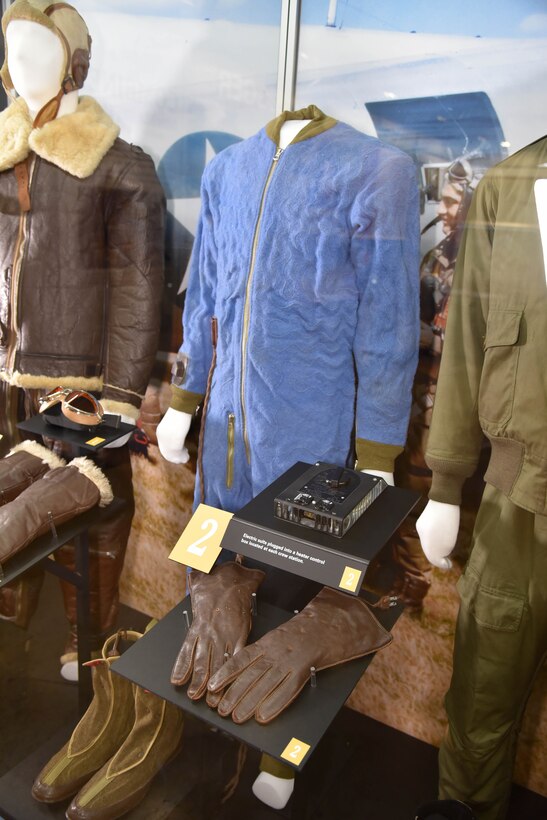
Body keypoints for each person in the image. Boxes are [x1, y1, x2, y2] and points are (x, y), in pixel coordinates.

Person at [158, 105, 420, 808]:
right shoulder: (228, 169)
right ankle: (216, 713)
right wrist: (185, 399)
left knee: (292, 590)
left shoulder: (378, 172)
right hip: (225, 425)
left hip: (312, 430)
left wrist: (378, 450)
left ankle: (280, 754)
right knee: (218, 575)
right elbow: (204, 297)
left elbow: (388, 323)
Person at [0, 0, 164, 678]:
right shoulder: (5, 152)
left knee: (85, 497)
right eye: (11, 50)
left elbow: (137, 288)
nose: (18, 67)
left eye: (36, 51)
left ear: (73, 65)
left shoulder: (119, 167)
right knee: (17, 490)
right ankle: (17, 608)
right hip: (8, 366)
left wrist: (123, 396)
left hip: (79, 376)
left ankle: (85, 640)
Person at [416, 137, 547, 820]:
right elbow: (465, 341)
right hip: (512, 505)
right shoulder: (510, 186)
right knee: (478, 702)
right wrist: (445, 484)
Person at [390, 159, 477, 610]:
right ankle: (412, 578)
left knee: (432, 484)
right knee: (407, 486)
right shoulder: (439, 253)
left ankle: (429, 577)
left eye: (450, 201)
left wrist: (434, 337)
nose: (441, 209)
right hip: (418, 391)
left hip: (449, 400)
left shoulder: (484, 259)